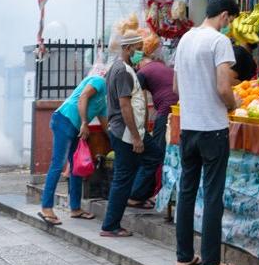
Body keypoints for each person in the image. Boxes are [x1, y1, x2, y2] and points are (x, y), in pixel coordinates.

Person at [172, 0, 241, 265]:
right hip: (213, 129)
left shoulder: (185, 39)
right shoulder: (220, 41)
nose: (229, 26)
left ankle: (184, 256)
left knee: (186, 193)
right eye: (230, 20)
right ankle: (212, 263)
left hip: (188, 129)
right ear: (224, 16)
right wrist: (235, 105)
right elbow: (225, 88)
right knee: (213, 195)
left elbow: (176, 87)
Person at [39, 65, 108, 225]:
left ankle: (75, 208)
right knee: (58, 164)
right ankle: (46, 207)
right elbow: (83, 97)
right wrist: (85, 123)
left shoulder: (103, 101)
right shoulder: (98, 81)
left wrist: (119, 141)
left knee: (76, 166)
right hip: (64, 120)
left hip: (76, 127)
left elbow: (106, 125)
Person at [101, 31, 147, 237]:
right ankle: (110, 225)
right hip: (125, 133)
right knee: (122, 178)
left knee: (152, 156)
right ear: (128, 48)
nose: (141, 52)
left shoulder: (120, 69)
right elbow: (125, 105)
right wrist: (136, 137)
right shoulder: (122, 71)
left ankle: (138, 195)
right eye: (138, 48)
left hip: (125, 131)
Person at [126, 55, 178, 209]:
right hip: (180, 110)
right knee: (170, 153)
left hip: (166, 110)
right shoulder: (163, 67)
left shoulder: (142, 72)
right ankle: (152, 193)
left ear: (140, 63)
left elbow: (140, 103)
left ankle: (137, 196)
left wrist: (141, 128)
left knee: (155, 153)